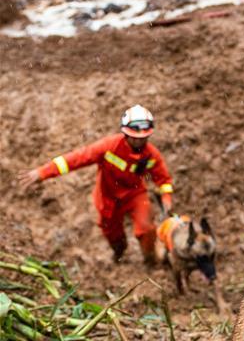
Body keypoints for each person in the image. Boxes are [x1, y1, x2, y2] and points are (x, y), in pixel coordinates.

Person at [19, 105, 174, 265]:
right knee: (113, 235)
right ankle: (119, 253)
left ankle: (151, 260)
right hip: (108, 197)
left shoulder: (151, 155)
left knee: (146, 227)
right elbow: (75, 159)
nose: (139, 141)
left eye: (144, 138)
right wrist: (43, 172)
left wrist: (167, 199)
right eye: (134, 137)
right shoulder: (109, 147)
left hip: (134, 195)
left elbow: (164, 179)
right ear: (125, 133)